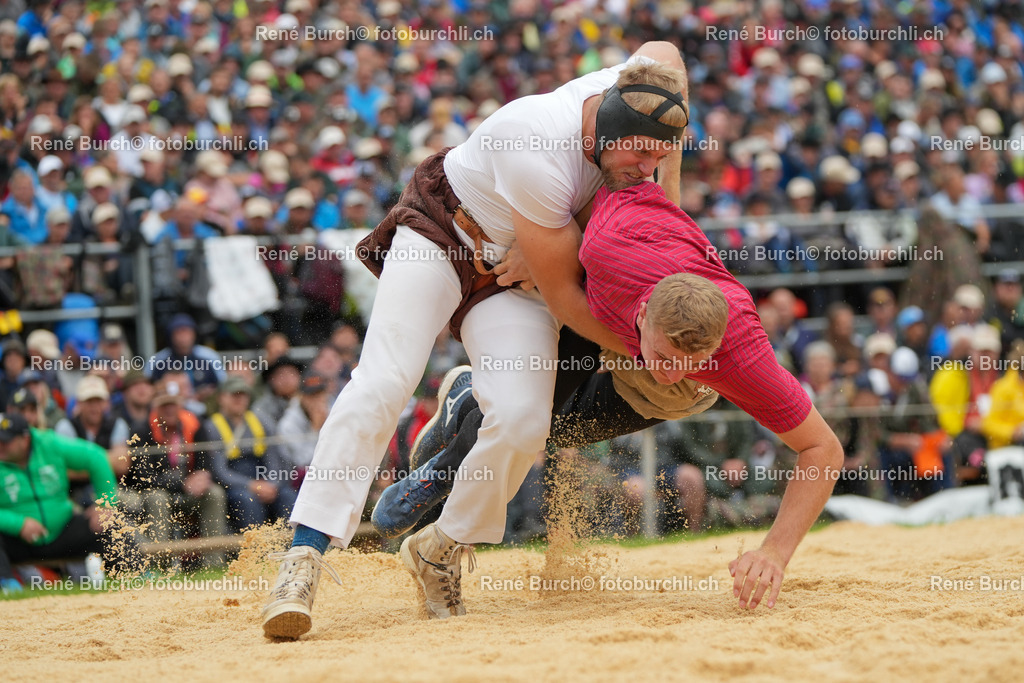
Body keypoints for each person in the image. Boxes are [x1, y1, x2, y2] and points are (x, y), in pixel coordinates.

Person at [261, 43, 690, 639]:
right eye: (640, 153)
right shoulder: (537, 143)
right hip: (444, 234)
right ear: (607, 129)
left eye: (660, 154)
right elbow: (566, 295)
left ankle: (442, 546)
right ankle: (302, 556)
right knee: (384, 381)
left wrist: (666, 174)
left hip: (510, 278)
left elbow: (667, 52)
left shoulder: (638, 92)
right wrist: (645, 351)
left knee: (521, 421)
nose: (648, 168)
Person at [376, 177, 844, 616]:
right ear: (642, 318)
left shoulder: (741, 356)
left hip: (628, 341)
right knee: (527, 415)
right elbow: (578, 187)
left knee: (573, 424)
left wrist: (775, 552)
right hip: (590, 300)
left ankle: (469, 403)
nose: (671, 372)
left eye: (689, 362)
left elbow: (823, 448)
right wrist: (540, 252)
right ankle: (462, 429)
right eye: (664, 356)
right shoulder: (609, 252)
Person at [0, 412, 142, 593]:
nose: (0, 446)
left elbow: (96, 457)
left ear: (25, 439)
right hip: (18, 541)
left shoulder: (50, 443)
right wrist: (18, 524)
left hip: (62, 530)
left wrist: (106, 504)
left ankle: (139, 576)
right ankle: (7, 586)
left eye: (5, 441)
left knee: (109, 523)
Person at [205, 376, 296, 531]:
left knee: (289, 497)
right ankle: (256, 551)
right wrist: (252, 485)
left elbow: (275, 459)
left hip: (264, 478)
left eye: (243, 395)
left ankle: (293, 548)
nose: (239, 400)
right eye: (234, 395)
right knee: (247, 501)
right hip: (235, 483)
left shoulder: (262, 421)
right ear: (221, 398)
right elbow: (219, 472)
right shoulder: (212, 426)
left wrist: (272, 484)